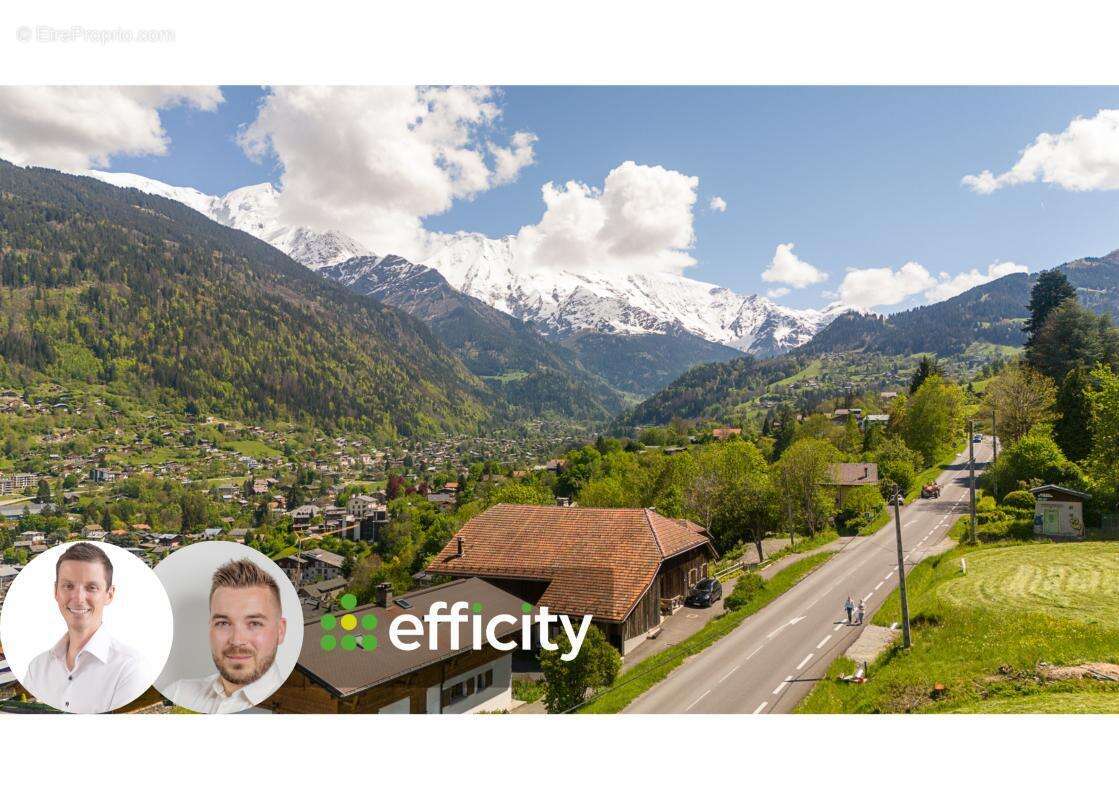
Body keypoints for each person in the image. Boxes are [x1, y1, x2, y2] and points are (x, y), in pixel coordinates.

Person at [23, 542, 148, 713]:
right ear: (56, 591)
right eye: (68, 586)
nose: (79, 598)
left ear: (109, 595)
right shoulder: (37, 668)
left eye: (91, 587)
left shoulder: (130, 669)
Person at [164, 558, 287, 713]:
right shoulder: (178, 693)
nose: (237, 640)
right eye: (223, 623)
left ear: (280, 631)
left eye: (255, 623)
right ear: (210, 628)